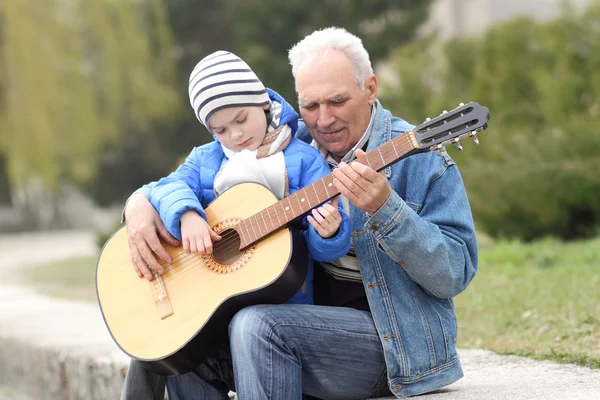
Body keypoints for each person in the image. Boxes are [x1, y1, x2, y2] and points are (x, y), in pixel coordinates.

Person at [122, 27, 478, 399]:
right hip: (293, 332)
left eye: (337, 101)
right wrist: (138, 206)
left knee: (256, 325)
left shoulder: (424, 162)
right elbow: (172, 183)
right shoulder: (286, 147)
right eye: (310, 106)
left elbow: (454, 273)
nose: (323, 120)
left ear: (371, 88)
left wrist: (385, 209)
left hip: (395, 344)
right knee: (175, 342)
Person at [120, 50, 352, 400]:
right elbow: (168, 186)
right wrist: (187, 214)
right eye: (220, 129)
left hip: (277, 313)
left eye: (241, 119)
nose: (235, 134)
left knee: (177, 347)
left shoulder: (303, 161)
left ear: (262, 103)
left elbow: (321, 251)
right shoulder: (207, 159)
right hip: (208, 303)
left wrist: (330, 231)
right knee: (156, 346)